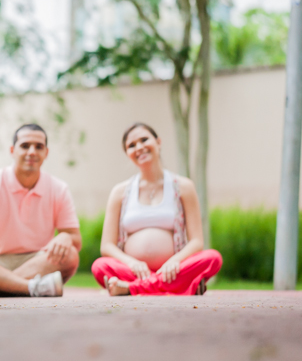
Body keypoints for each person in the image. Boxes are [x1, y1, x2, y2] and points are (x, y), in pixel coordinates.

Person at [91, 122, 222, 296]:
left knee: (212, 258)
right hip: (133, 271)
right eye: (131, 145)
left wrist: (174, 261)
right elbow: (107, 246)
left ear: (158, 142)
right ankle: (179, 287)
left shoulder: (184, 187)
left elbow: (197, 242)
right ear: (128, 154)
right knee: (100, 266)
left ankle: (131, 288)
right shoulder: (120, 192)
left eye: (144, 140)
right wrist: (131, 263)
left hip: (173, 269)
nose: (139, 147)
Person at [0, 124, 81, 297]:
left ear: (46, 153)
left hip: (38, 260)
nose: (32, 152)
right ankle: (32, 287)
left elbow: (76, 240)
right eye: (25, 146)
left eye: (39, 147)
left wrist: (66, 236)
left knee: (70, 255)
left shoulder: (59, 188)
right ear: (12, 150)